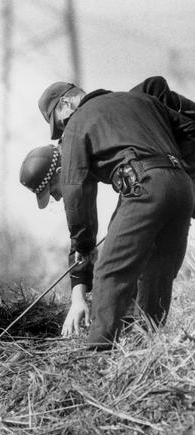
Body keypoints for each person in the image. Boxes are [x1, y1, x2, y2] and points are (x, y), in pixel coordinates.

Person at [27, 80, 195, 350]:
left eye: (58, 123)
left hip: (145, 186)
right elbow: (189, 131)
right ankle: (146, 348)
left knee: (110, 271)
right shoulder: (142, 102)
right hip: (183, 187)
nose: (61, 131)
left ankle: (97, 353)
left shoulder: (77, 124)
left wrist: (83, 245)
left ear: (66, 104)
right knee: (157, 274)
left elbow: (77, 191)